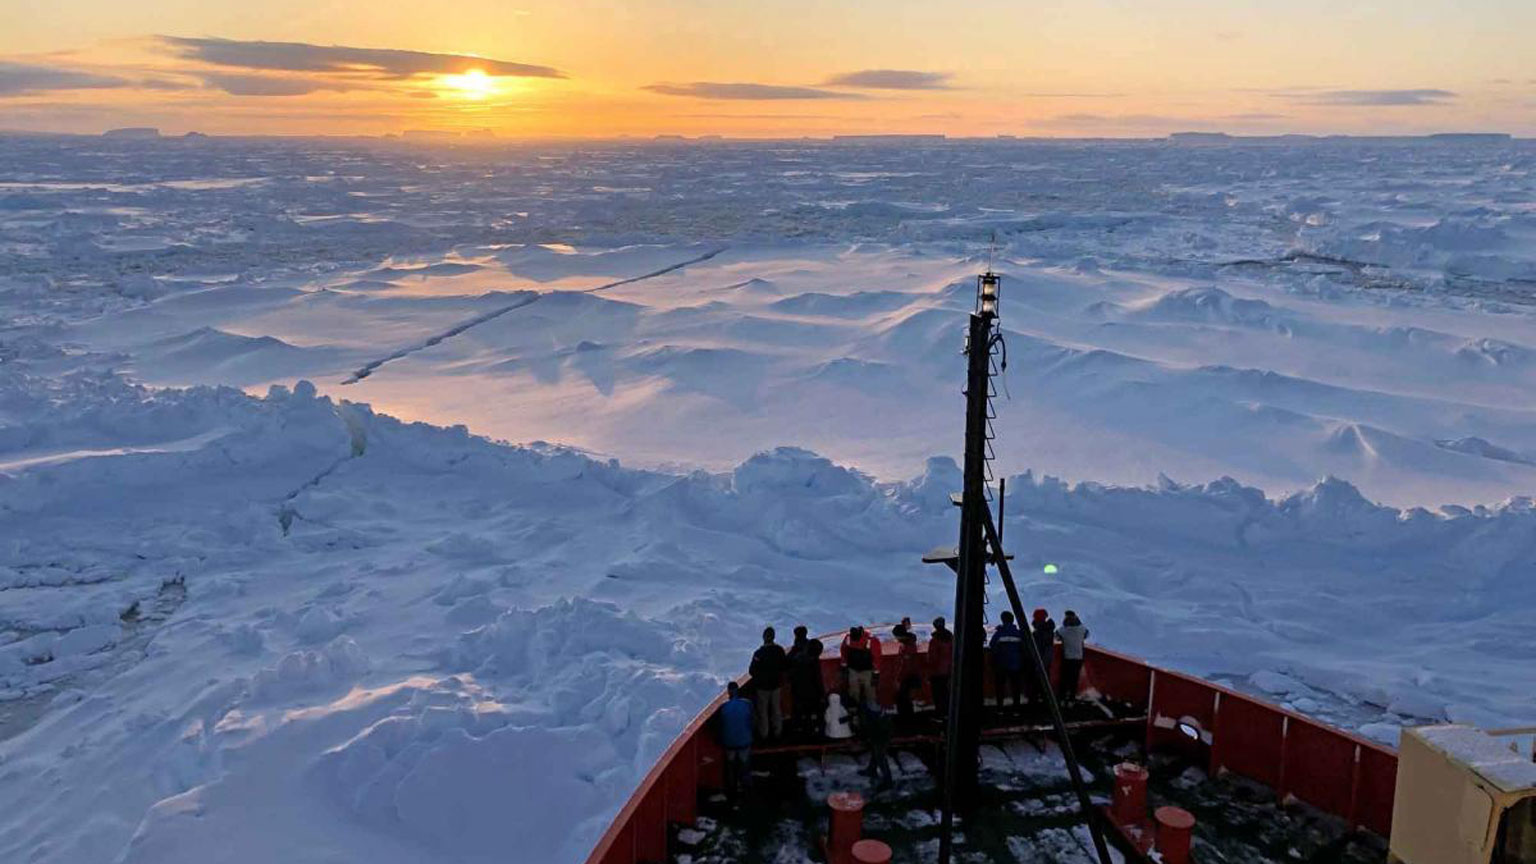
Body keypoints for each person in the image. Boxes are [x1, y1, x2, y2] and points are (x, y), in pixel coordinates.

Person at [787, 625, 826, 737]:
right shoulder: (812, 660)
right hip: (811, 693)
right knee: (811, 715)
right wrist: (822, 694)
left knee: (800, 714)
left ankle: (800, 733)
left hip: (798, 691)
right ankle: (813, 733)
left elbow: (789, 669)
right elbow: (817, 678)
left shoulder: (796, 656)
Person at [749, 626, 787, 741]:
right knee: (776, 710)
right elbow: (784, 666)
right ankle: (778, 732)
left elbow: (752, 671)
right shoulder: (779, 650)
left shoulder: (759, 653)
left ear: (764, 637)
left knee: (763, 712)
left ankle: (764, 735)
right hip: (776, 686)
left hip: (762, 688)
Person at [719, 681, 754, 798]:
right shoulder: (747, 704)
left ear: (728, 692)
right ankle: (747, 788)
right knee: (745, 765)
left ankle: (732, 789)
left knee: (730, 766)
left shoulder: (723, 707)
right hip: (744, 741)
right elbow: (752, 721)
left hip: (729, 742)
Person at [989, 611, 1025, 712]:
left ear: (1002, 620)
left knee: (1000, 687)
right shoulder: (1018, 633)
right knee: (1015, 687)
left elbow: (992, 645)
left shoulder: (999, 633)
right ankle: (1016, 708)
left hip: (1001, 664)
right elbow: (1023, 648)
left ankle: (1000, 708)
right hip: (1016, 664)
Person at [840, 626, 882, 711]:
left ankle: (872, 709)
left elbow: (876, 657)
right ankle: (854, 708)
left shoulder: (871, 640)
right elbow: (843, 651)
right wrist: (844, 666)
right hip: (853, 669)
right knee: (853, 690)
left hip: (867, 670)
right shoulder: (848, 638)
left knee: (870, 689)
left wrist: (876, 673)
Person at [1058, 610, 1090, 702]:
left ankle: (1062, 696)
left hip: (1067, 657)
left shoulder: (1063, 630)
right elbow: (1087, 634)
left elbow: (1056, 636)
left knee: (1064, 677)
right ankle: (1072, 696)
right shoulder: (1082, 629)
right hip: (1079, 657)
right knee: (1074, 678)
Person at [861, 700, 894, 789]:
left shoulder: (877, 715)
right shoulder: (875, 712)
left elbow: (880, 727)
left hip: (881, 735)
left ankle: (888, 782)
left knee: (880, 757)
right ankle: (871, 770)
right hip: (878, 733)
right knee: (875, 753)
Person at [892, 624, 921, 720]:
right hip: (909, 676)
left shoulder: (908, 647)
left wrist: (899, 679)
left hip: (907, 677)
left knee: (903, 699)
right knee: (905, 700)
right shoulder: (909, 643)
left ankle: (906, 720)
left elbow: (905, 665)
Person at [1027, 608, 1056, 705]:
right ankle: (1045, 701)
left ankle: (1037, 701)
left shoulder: (1040, 632)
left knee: (1037, 682)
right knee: (1044, 682)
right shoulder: (1047, 630)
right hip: (1044, 661)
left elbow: (1044, 648)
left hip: (1040, 662)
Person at [928, 617, 953, 722]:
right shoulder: (951, 638)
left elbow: (932, 658)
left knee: (938, 694)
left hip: (937, 671)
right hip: (948, 670)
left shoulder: (935, 640)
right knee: (946, 693)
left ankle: (940, 714)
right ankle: (948, 713)